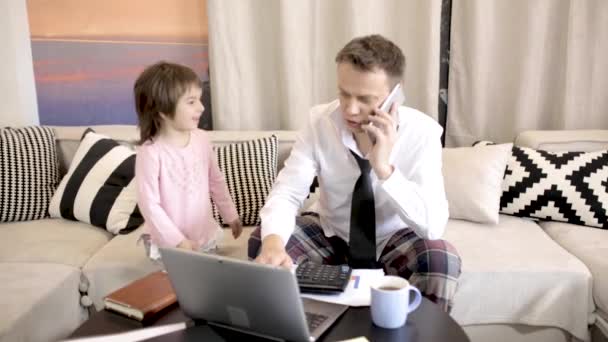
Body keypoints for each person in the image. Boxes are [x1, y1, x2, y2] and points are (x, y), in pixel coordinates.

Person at [249, 35, 461, 312]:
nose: (350, 109)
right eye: (344, 93)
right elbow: (288, 192)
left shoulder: (423, 134)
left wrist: (384, 169)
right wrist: (274, 243)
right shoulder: (318, 122)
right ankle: (305, 329)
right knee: (263, 243)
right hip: (332, 234)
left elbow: (433, 226)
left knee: (440, 258)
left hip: (393, 239)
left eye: (365, 99)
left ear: (395, 95)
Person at [134, 61, 242, 260]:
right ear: (163, 111)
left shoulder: (202, 139)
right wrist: (178, 241)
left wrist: (230, 215)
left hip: (203, 236)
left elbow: (216, 181)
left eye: (199, 100)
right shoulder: (150, 153)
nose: (201, 107)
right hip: (169, 244)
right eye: (191, 102)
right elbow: (150, 205)